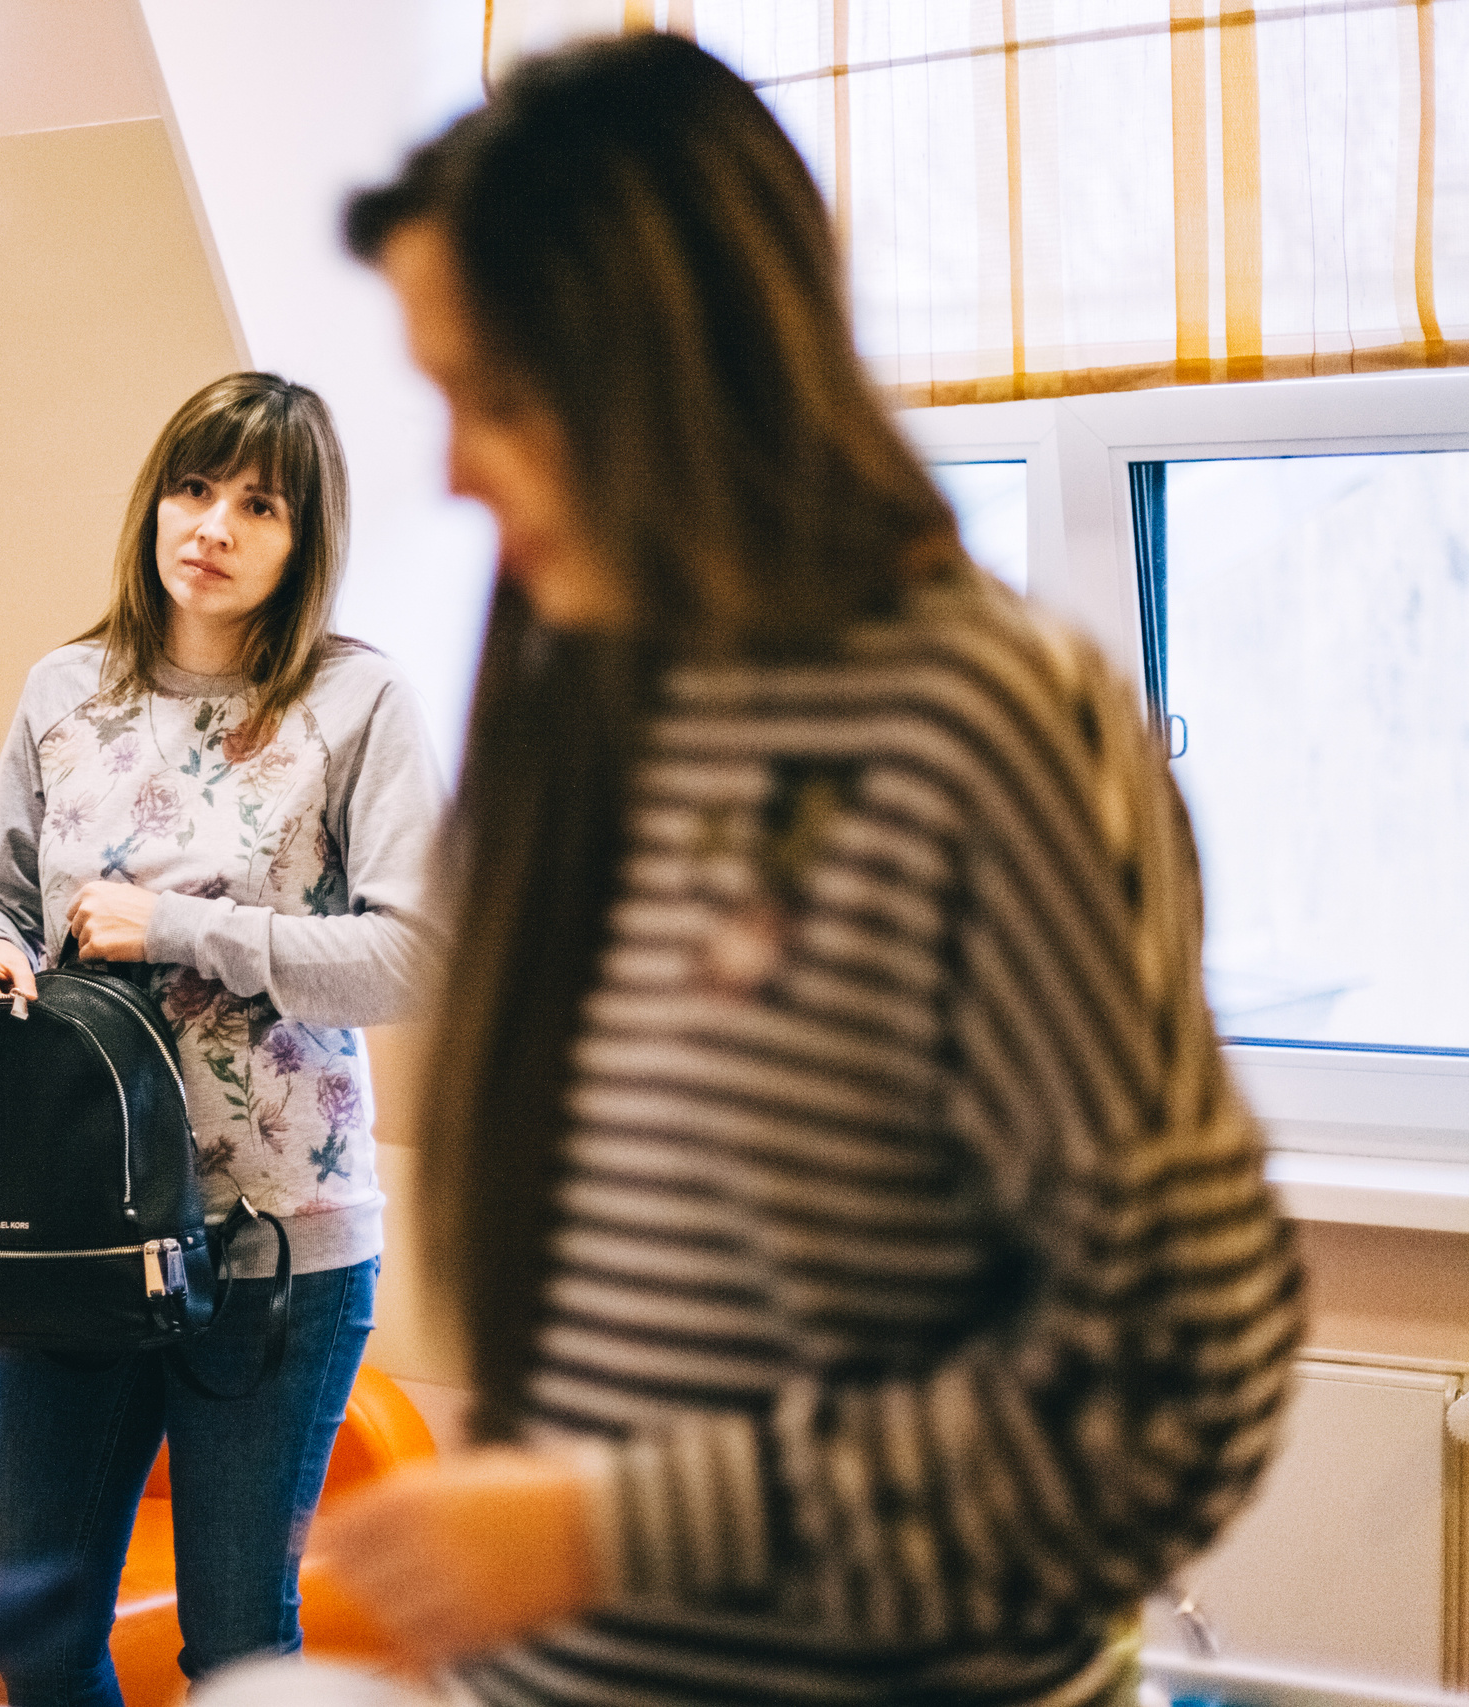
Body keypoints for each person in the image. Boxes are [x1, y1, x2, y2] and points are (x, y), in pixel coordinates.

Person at [307, 33, 1306, 1707]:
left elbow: (1168, 1392)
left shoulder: (981, 725)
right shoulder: (596, 711)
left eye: (502, 398)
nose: (458, 476)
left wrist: (610, 1532)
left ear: (677, 367)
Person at [0, 371, 446, 1707]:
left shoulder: (360, 705)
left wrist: (179, 927)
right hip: (74, 1238)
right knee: (39, 1638)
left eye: (257, 503)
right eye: (192, 487)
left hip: (276, 1246)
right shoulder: (64, 689)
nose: (212, 526)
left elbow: (413, 955)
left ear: (304, 538)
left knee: (236, 1649)